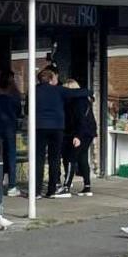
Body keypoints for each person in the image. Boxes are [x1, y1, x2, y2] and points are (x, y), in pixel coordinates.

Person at [34, 68, 90, 198]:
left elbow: (26, 109)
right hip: (57, 128)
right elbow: (78, 92)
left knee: (39, 159)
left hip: (39, 127)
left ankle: (36, 191)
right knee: (55, 159)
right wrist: (89, 93)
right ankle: (51, 190)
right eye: (55, 78)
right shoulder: (59, 90)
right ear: (51, 79)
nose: (57, 80)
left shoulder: (34, 91)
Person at [62, 78, 97, 197]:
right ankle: (87, 187)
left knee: (71, 158)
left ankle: (66, 187)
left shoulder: (77, 102)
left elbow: (80, 120)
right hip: (89, 132)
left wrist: (77, 136)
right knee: (82, 158)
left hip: (81, 133)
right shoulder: (84, 100)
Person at [0, 71, 23, 197]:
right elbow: (19, 111)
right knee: (11, 155)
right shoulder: (14, 97)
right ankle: (12, 185)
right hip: (10, 128)